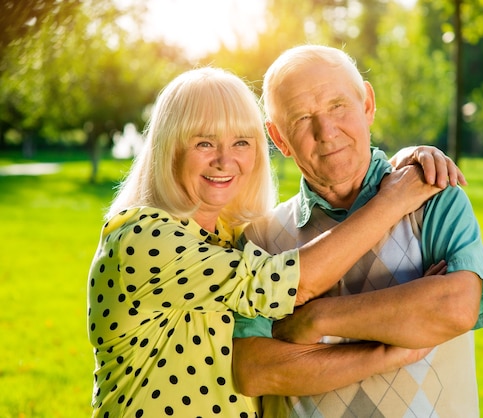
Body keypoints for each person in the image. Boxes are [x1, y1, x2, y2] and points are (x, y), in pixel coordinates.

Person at [86, 66, 458, 417]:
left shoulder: (230, 237)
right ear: (169, 147)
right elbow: (291, 282)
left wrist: (398, 165)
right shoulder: (140, 237)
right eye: (203, 143)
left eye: (241, 142)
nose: (225, 160)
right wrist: (392, 201)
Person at [231, 45, 483, 417]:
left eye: (338, 106)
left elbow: (454, 307)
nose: (326, 132)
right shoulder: (259, 239)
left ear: (367, 105)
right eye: (302, 118)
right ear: (279, 139)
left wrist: (316, 318)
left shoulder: (432, 193)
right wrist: (391, 349)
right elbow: (256, 372)